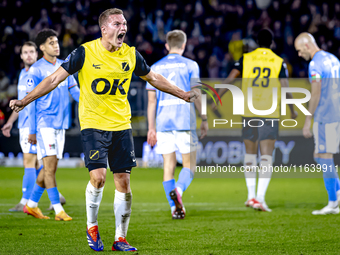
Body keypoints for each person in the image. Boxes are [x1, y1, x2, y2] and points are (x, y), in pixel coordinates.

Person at [10, 8, 198, 252]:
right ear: (104, 29)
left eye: (125, 23)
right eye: (118, 23)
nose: (124, 27)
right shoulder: (85, 52)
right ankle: (92, 227)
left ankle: (120, 238)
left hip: (122, 126)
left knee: (123, 182)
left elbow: (154, 78)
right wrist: (25, 100)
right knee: (98, 179)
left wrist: (183, 94)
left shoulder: (131, 54)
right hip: (93, 125)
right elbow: (54, 79)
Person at [214, 29, 297, 212]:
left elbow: (230, 79)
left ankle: (251, 196)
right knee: (266, 155)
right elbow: (285, 87)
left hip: (249, 112)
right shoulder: (278, 61)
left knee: (250, 154)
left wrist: (216, 99)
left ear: (257, 42)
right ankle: (260, 198)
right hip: (269, 113)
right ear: (272, 43)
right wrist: (292, 109)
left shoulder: (246, 58)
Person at [146, 30, 208, 219]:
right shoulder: (191, 65)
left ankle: (174, 208)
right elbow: (196, 94)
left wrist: (151, 128)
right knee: (190, 165)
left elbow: (151, 101)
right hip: (184, 121)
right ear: (184, 45)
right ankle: (179, 191)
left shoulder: (155, 67)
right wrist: (204, 118)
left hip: (163, 122)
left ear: (166, 46)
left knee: (168, 167)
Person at [20, 29, 80, 221]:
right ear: (42, 47)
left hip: (61, 124)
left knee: (50, 167)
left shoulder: (65, 67)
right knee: (50, 168)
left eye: (57, 42)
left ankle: (31, 205)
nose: (57, 45)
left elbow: (75, 91)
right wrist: (32, 131)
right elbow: (30, 101)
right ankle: (58, 210)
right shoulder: (35, 70)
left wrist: (90, 102)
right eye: (52, 42)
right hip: (44, 124)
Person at [295, 32, 340, 215]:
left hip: (325, 115)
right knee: (319, 155)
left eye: (299, 50)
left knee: (324, 156)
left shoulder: (315, 63)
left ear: (307, 46)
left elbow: (315, 93)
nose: (299, 55)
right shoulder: (334, 59)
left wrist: (307, 119)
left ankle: (332, 203)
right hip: (335, 113)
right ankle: (336, 194)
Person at [2, 41, 42, 212]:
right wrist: (10, 122)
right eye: (25, 52)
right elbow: (20, 104)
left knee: (29, 161)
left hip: (33, 125)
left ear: (37, 54)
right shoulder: (22, 74)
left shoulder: (39, 74)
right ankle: (57, 193)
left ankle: (26, 201)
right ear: (21, 56)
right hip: (25, 123)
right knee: (40, 163)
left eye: (32, 52)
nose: (28, 55)